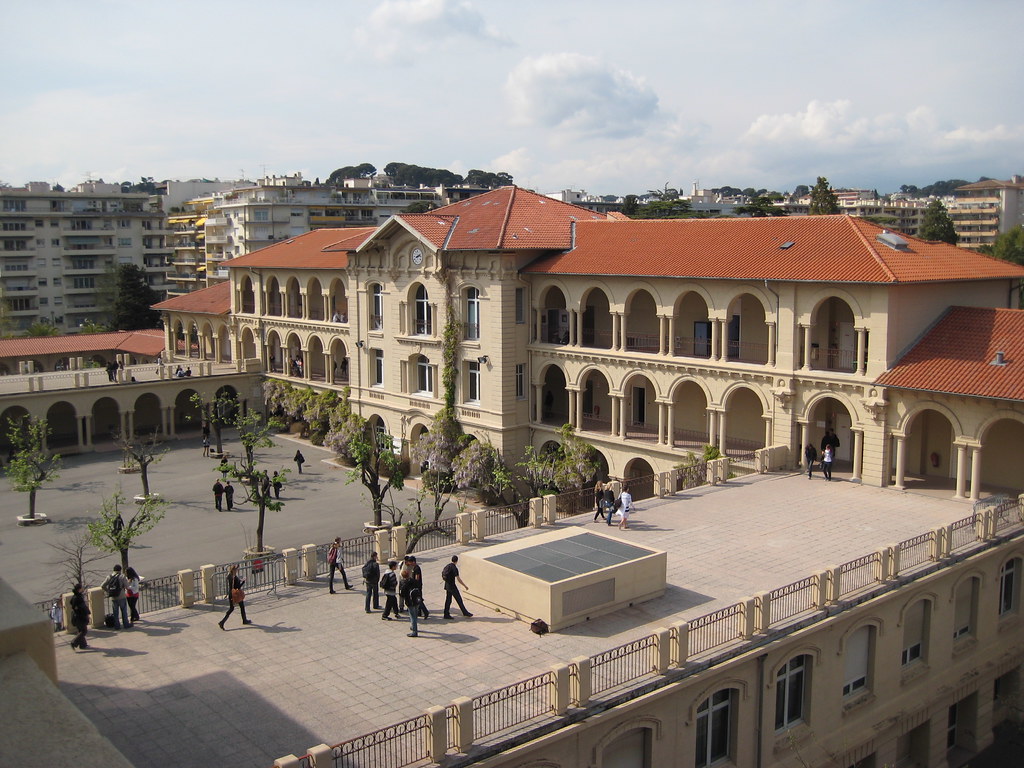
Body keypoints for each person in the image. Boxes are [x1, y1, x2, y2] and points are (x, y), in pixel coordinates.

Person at [219, 564, 252, 629]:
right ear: (234, 570)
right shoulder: (234, 578)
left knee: (239, 607)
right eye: (236, 569)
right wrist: (243, 582)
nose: (237, 570)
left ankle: (244, 620)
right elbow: (237, 587)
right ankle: (222, 622)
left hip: (231, 594)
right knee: (233, 608)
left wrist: (239, 580)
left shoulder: (229, 576)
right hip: (236, 594)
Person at [103, 564, 130, 630]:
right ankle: (126, 624)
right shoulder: (122, 576)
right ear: (120, 570)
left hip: (113, 597)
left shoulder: (109, 577)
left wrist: (108, 591)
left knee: (115, 612)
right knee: (124, 611)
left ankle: (117, 625)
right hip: (121, 596)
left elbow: (102, 585)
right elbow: (127, 586)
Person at [400, 566, 423, 637]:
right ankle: (414, 626)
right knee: (415, 615)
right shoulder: (414, 581)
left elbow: (402, 594)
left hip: (410, 602)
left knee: (412, 616)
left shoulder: (404, 584)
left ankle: (414, 631)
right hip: (416, 600)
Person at [70, 583, 91, 650]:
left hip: (78, 617)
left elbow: (71, 603)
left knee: (80, 630)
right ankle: (74, 642)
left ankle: (83, 645)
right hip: (80, 617)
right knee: (84, 631)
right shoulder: (77, 597)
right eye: (81, 588)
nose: (82, 589)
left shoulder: (75, 596)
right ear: (79, 589)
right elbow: (78, 607)